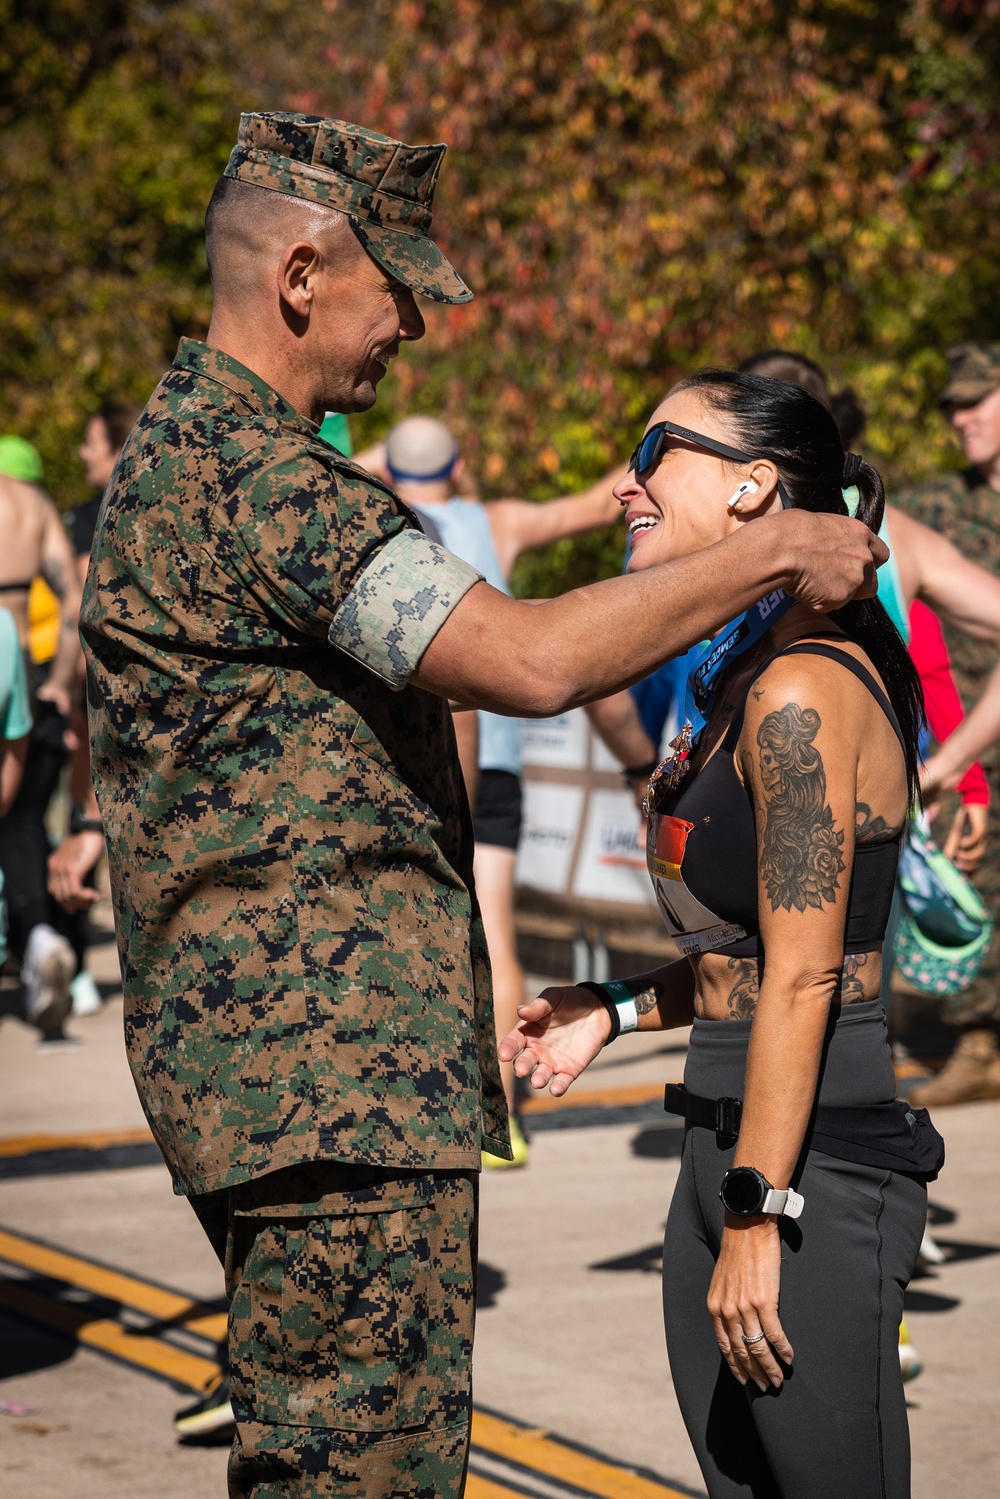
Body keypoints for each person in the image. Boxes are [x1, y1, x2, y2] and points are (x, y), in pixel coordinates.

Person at [80, 111, 886, 1499]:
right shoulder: (260, 482)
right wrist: (781, 550)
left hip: (292, 1080)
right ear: (301, 276)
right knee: (364, 1473)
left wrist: (615, 1002)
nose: (413, 330)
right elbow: (530, 658)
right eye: (394, 290)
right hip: (327, 1086)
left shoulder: (186, 459)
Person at [501, 370, 934, 1499]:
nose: (624, 484)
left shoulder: (801, 687)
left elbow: (804, 981)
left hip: (807, 1174)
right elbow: (748, 960)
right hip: (720, 1142)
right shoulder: (744, 678)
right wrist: (618, 1004)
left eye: (655, 448)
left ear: (752, 488)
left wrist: (758, 1214)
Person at [381, 414, 624, 1168]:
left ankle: (420, 1106)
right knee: (496, 932)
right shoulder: (498, 521)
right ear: (457, 466)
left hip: (416, 759)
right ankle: (504, 1116)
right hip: (499, 760)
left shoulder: (378, 519)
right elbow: (596, 502)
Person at [46, 404, 142, 986]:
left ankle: (74, 959)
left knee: (84, 810)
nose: (83, 453)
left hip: (103, 689)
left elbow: (79, 598)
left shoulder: (96, 517)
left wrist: (58, 682)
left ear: (114, 446)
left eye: (90, 442)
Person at [0, 444, 83, 1033]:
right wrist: (56, 682)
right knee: (24, 815)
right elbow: (76, 601)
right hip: (20, 668)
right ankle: (40, 940)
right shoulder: (29, 504)